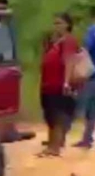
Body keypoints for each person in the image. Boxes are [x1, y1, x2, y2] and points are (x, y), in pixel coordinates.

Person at [0, 0, 37, 143]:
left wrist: (17, 66)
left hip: (8, 67)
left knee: (9, 101)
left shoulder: (11, 26)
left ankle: (10, 130)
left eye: (4, 9)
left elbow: (14, 48)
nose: (2, 13)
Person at [39, 13, 80, 157]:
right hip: (48, 84)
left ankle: (54, 147)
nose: (56, 26)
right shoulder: (55, 41)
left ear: (67, 25)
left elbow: (69, 61)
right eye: (55, 23)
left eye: (60, 23)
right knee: (50, 115)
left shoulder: (68, 41)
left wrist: (66, 82)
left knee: (57, 116)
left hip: (58, 85)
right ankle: (51, 144)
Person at [72, 7, 95, 149]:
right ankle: (87, 138)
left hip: (92, 74)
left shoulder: (92, 30)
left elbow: (86, 48)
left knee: (89, 107)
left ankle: (86, 138)